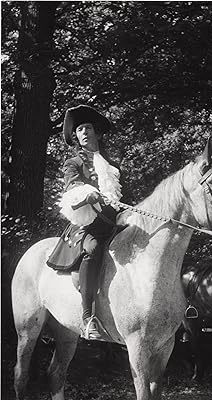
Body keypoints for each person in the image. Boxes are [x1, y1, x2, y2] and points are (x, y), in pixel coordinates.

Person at [47, 104, 123, 340]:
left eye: (88, 127)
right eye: (79, 130)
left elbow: (123, 198)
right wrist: (86, 193)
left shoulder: (113, 167)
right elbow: (71, 187)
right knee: (92, 248)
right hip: (87, 224)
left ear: (97, 133)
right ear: (76, 137)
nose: (84, 132)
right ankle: (88, 317)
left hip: (114, 221)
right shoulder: (73, 163)